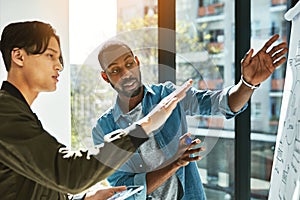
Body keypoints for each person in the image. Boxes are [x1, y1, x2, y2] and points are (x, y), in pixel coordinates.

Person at [0, 20, 191, 200]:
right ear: (18, 56)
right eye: (50, 55)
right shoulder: (5, 114)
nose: (59, 66)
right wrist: (146, 125)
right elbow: (69, 173)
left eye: (60, 58)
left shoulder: (18, 113)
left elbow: (37, 187)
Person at [92, 35, 288, 200]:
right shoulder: (104, 129)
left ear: (137, 62)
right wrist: (174, 162)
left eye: (128, 64)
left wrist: (247, 84)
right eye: (116, 70)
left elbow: (220, 103)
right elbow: (125, 190)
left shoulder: (168, 96)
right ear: (105, 76)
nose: (127, 73)